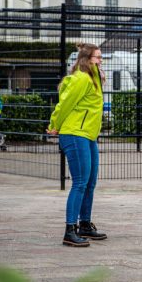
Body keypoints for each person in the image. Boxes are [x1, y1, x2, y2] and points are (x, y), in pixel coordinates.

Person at [46, 43, 107, 247]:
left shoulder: (93, 77)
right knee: (80, 182)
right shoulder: (80, 79)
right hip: (74, 133)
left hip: (88, 135)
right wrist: (54, 125)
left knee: (90, 182)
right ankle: (69, 230)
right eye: (97, 57)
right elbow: (64, 104)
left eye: (100, 57)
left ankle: (85, 225)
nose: (100, 60)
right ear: (86, 60)